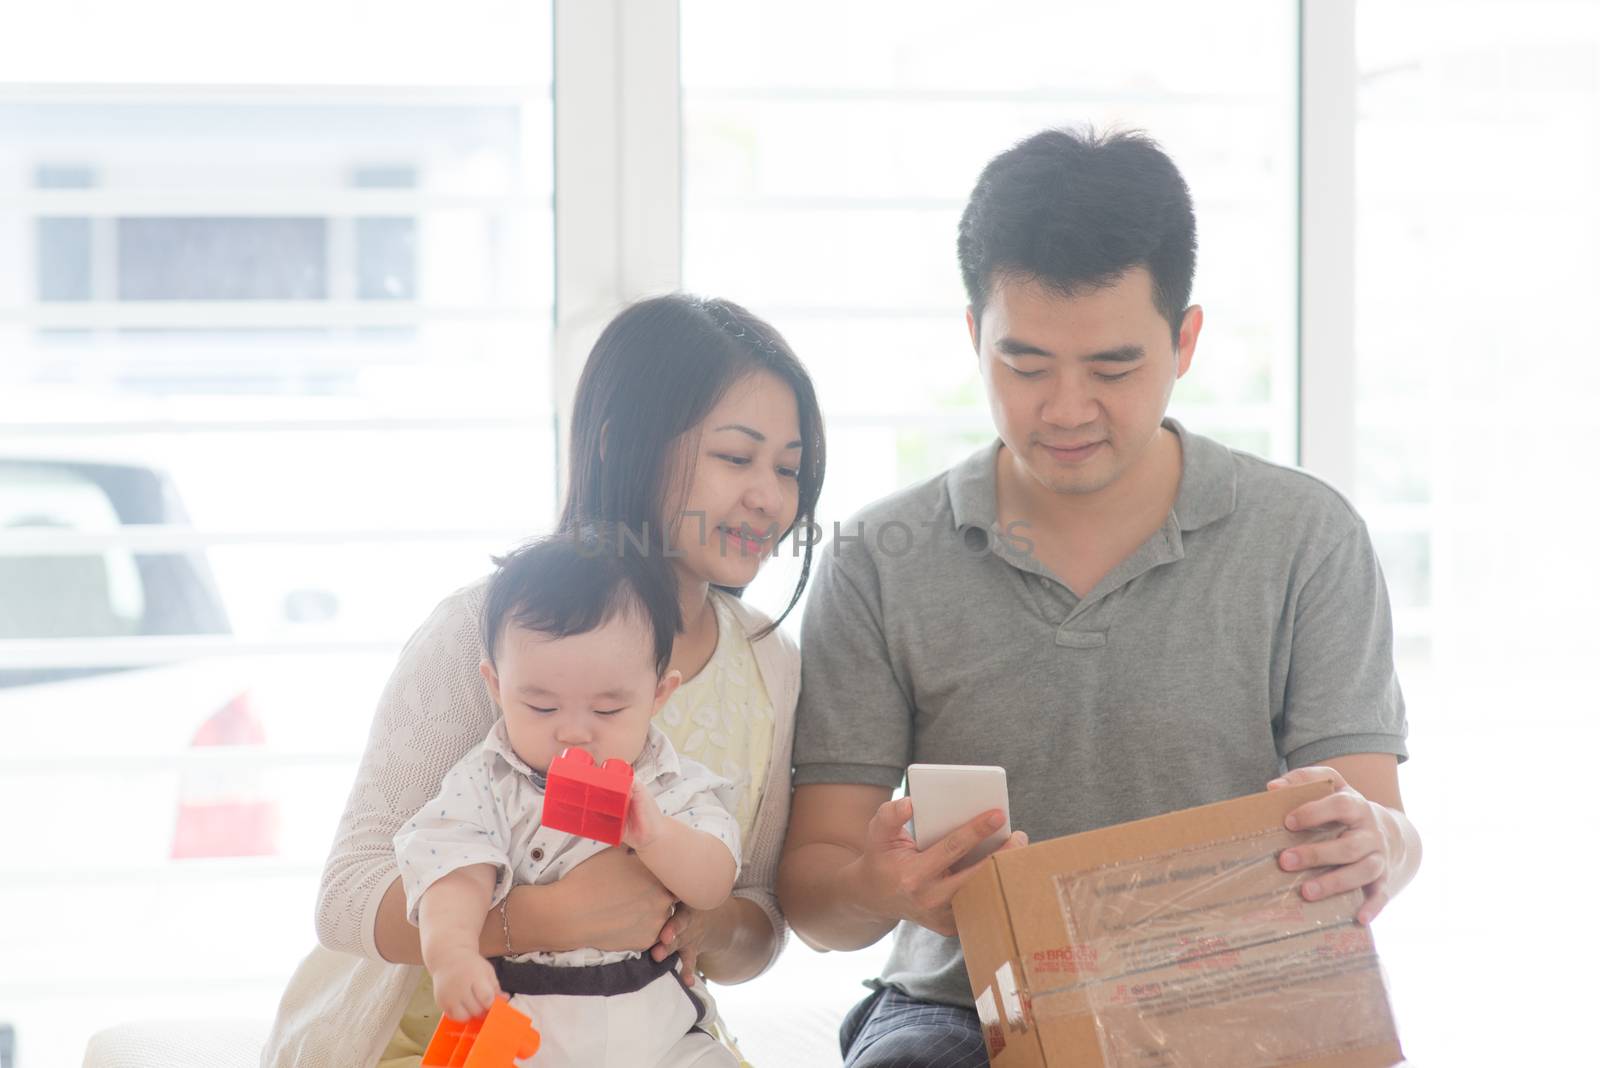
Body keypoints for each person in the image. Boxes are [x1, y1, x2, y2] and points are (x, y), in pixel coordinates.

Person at [777, 127, 1423, 1067]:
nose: (1067, 409)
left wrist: (1377, 847)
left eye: (1114, 368)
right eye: (1025, 365)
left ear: (1186, 340)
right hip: (968, 1007)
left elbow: (1380, 827)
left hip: (1228, 991)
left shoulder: (1305, 538)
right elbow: (815, 895)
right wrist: (881, 887)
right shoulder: (881, 558)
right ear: (973, 337)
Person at [263, 293, 826, 1067]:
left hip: (634, 1033)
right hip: (438, 1037)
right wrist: (546, 920)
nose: (770, 497)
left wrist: (702, 922)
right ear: (620, 444)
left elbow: (758, 913)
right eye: (736, 457)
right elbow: (347, 895)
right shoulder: (483, 629)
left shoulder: (768, 663)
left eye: (788, 469)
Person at [396, 533, 740, 1066]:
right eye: (539, 706)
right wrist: (453, 953)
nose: (574, 733)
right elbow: (453, 869)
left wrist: (657, 836)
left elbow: (715, 881)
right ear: (496, 686)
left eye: (607, 711)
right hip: (529, 1031)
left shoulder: (670, 784)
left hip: (656, 1029)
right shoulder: (484, 783)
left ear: (658, 695)